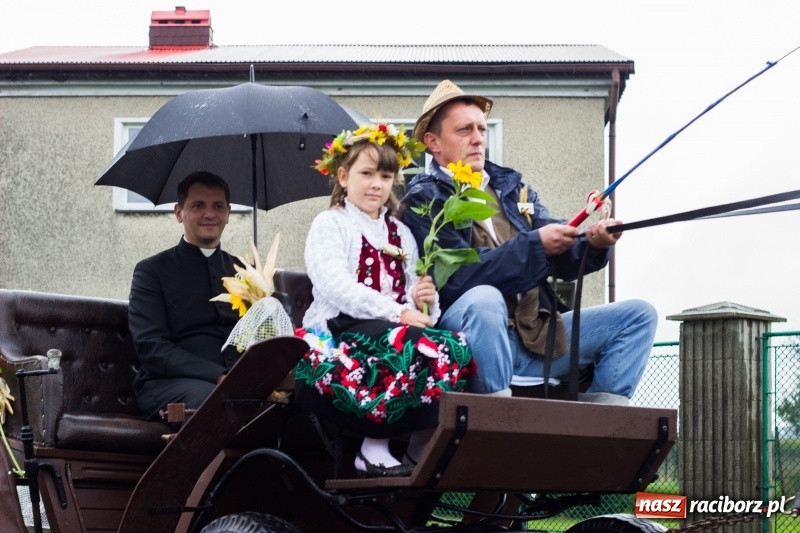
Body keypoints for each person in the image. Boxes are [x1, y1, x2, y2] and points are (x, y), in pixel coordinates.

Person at [401, 79, 657, 403]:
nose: (478, 138)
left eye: (482, 129)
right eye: (465, 130)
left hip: (538, 337)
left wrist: (591, 243)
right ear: (433, 142)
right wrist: (536, 244)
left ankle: (604, 425)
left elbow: (557, 250)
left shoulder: (513, 187)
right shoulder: (422, 199)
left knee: (639, 316)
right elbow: (455, 279)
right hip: (470, 337)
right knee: (484, 299)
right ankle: (496, 415)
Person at [295, 123, 474, 477]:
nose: (376, 184)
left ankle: (419, 448)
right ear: (343, 176)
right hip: (339, 328)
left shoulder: (401, 233)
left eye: (386, 176)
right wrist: (399, 313)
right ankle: (373, 446)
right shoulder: (330, 224)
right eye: (367, 174)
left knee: (453, 345)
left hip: (389, 326)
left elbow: (411, 298)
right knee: (406, 342)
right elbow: (335, 285)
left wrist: (424, 299)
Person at [129, 171, 242, 421]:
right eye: (198, 205)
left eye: (218, 206)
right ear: (179, 213)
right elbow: (151, 346)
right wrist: (218, 375)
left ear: (228, 213)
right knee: (217, 400)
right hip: (168, 383)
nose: (209, 214)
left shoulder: (245, 271)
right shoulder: (152, 271)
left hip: (236, 383)